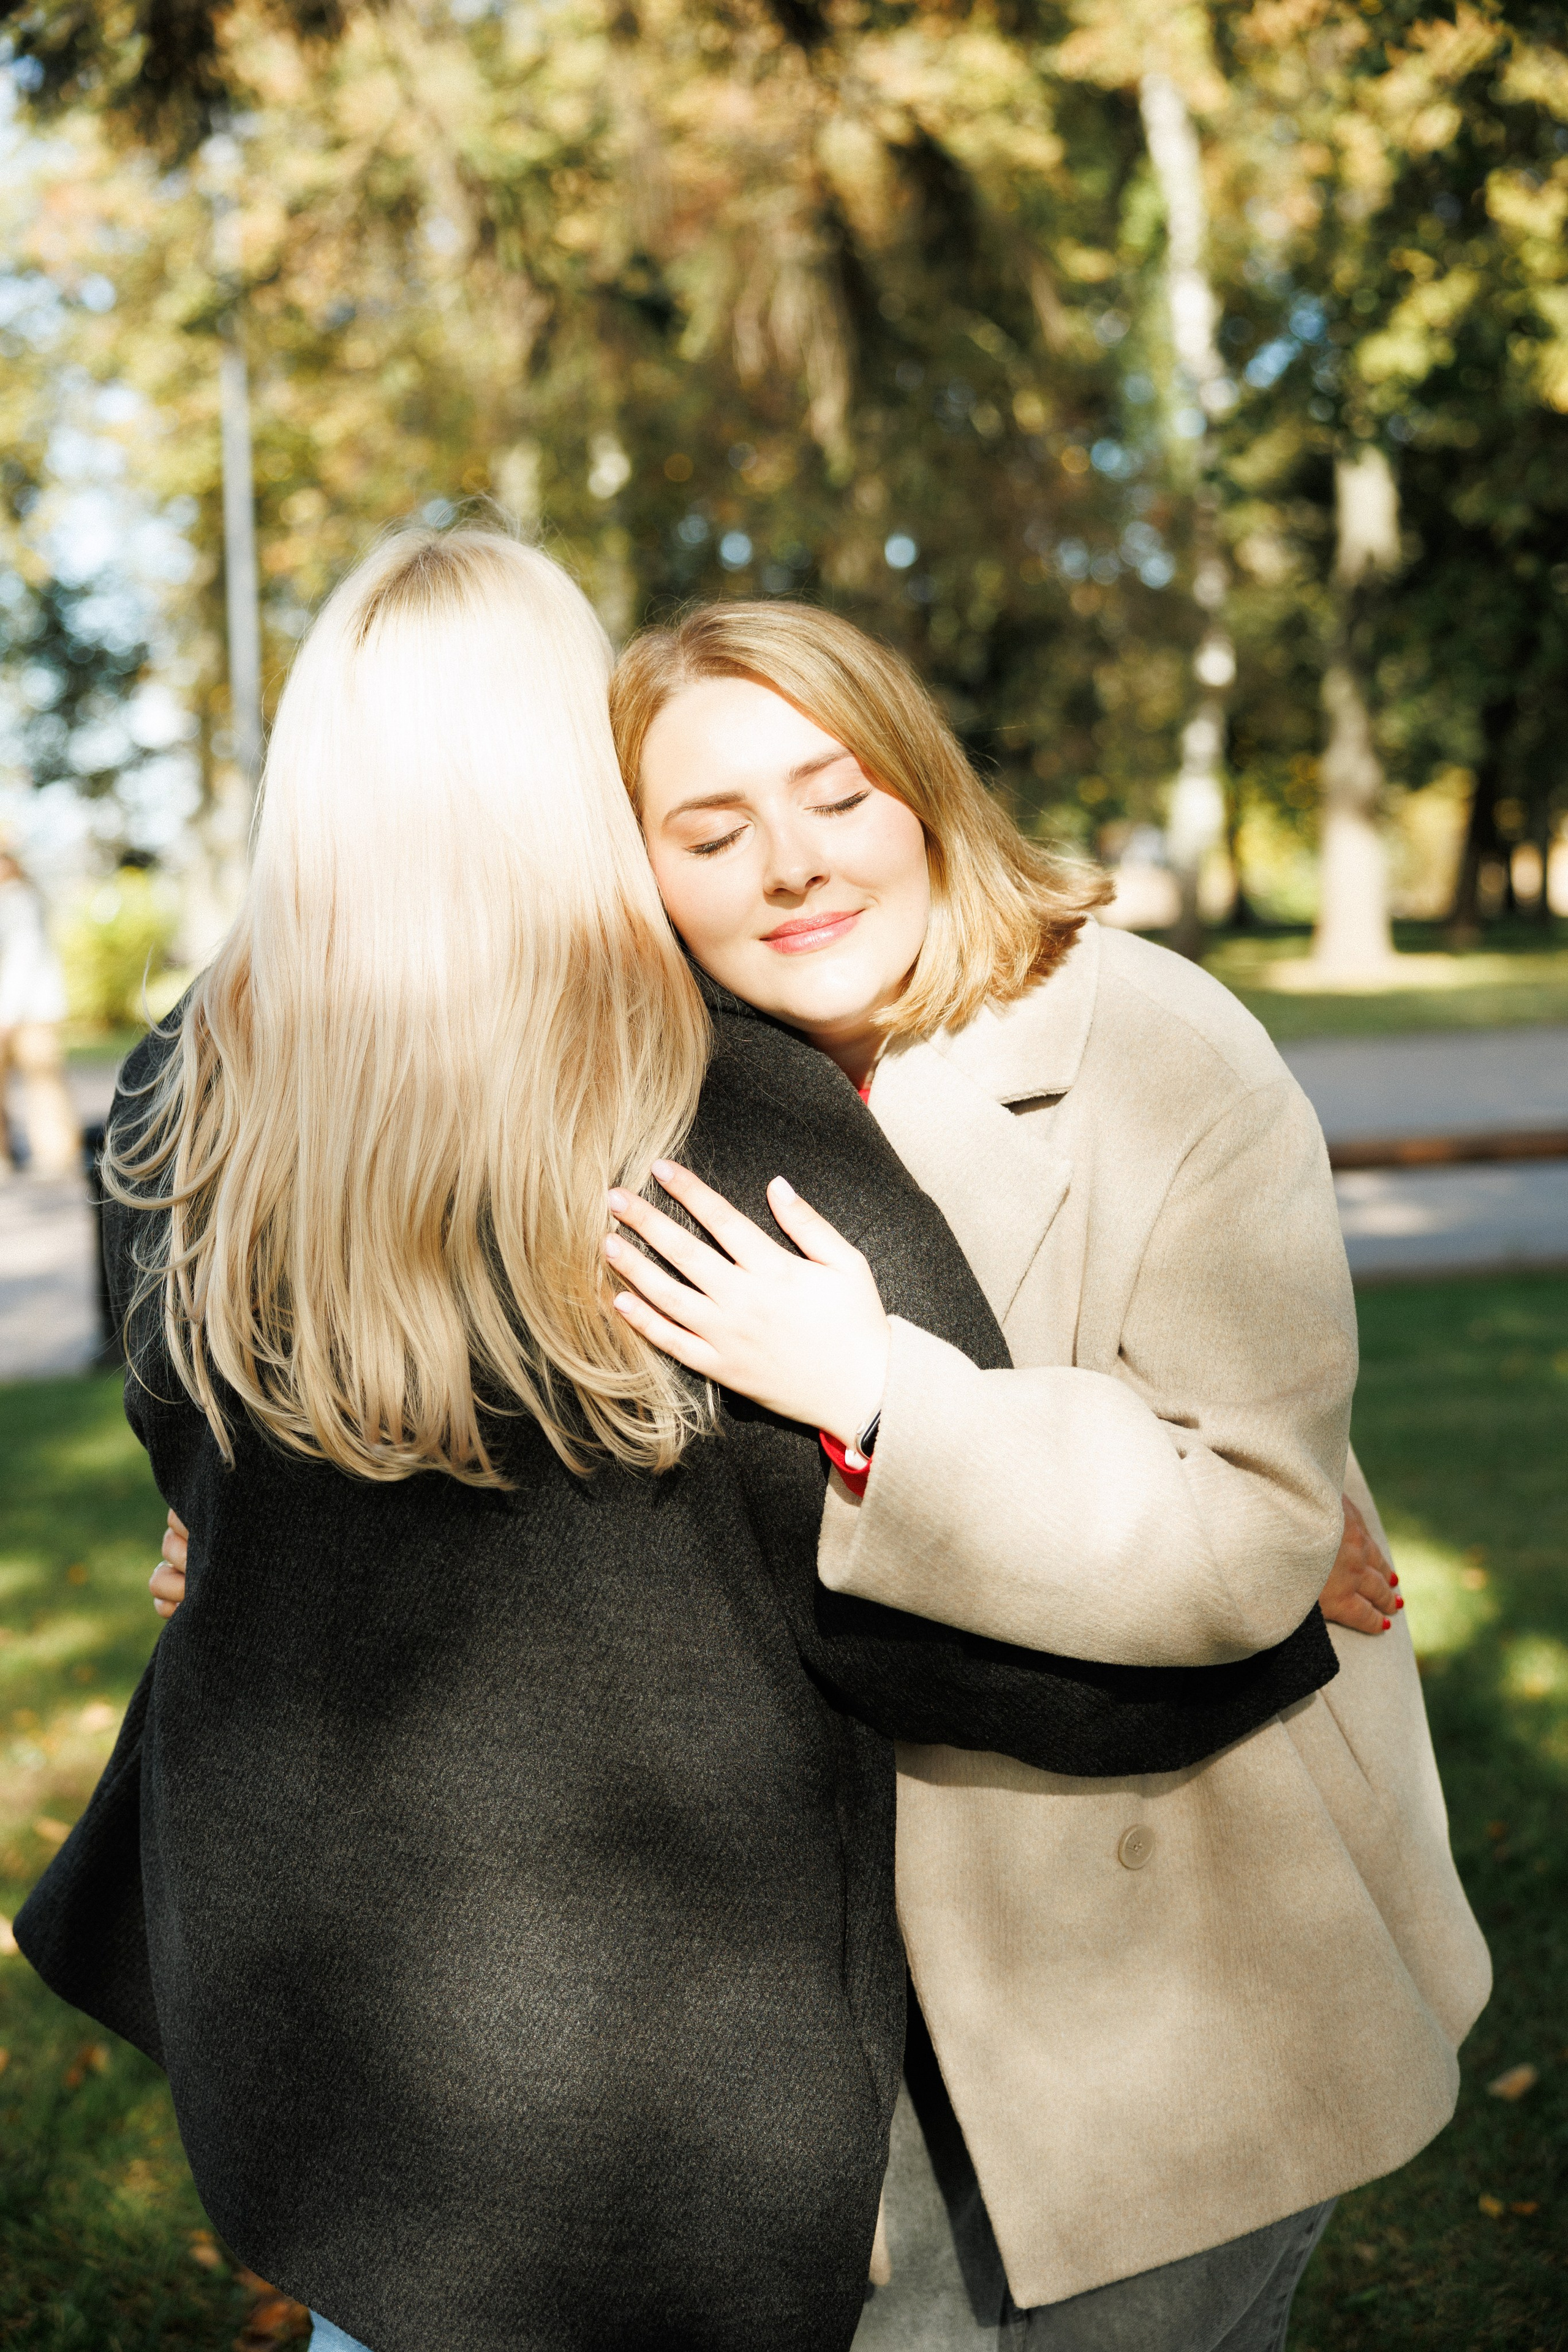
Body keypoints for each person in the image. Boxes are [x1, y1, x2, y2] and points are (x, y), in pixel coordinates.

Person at [17, 529, 1344, 2352]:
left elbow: (191, 1457)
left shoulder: (185, 1089)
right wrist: (1250, 1636)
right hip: (665, 2082)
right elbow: (912, 1604)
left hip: (344, 2047)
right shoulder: (705, 1098)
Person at [587, 600, 1490, 2351]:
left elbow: (1247, 1531)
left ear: (922, 789)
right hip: (800, 1975)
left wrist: (874, 1394)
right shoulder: (642, 1095)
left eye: (834, 795)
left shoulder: (1155, 1048)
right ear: (640, 877)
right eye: (710, 832)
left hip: (1156, 1957)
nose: (790, 866)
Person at [0, 845, 80, 1178]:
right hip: (19, 1009)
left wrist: (6, 1016)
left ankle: (56, 1158)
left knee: (44, 1085)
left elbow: (24, 960)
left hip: (31, 1011)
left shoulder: (20, 900)